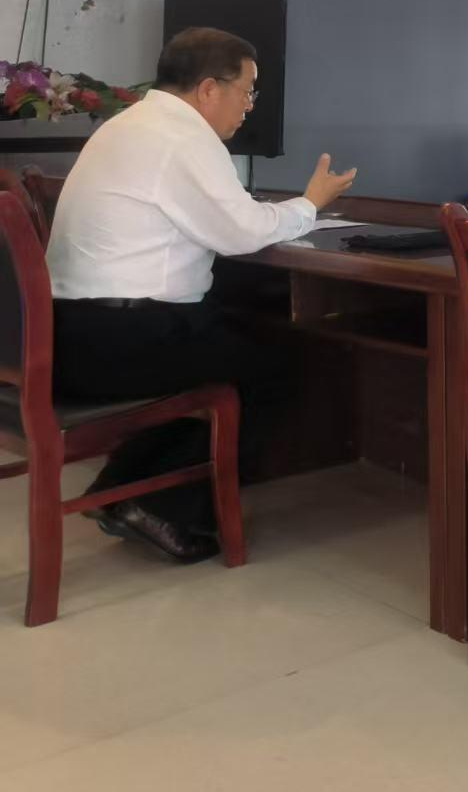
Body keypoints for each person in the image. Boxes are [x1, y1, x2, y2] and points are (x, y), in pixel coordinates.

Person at [47, 28, 358, 562]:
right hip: (121, 339)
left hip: (69, 335)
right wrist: (311, 202)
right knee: (274, 371)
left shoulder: (126, 126)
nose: (250, 105)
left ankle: (122, 492)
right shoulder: (183, 138)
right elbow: (242, 232)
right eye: (248, 90)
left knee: (221, 344)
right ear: (210, 88)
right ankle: (164, 507)